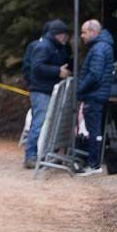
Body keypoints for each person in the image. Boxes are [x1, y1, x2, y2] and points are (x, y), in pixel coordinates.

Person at [22, 20, 72, 168]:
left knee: (50, 123)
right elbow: (37, 67)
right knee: (39, 122)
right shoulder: (43, 46)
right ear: (59, 35)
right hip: (41, 90)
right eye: (64, 35)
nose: (66, 38)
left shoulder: (58, 47)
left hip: (50, 89)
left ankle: (46, 153)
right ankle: (30, 156)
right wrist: (58, 71)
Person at [76, 19, 115, 175]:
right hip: (98, 94)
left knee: (93, 131)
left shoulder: (98, 49)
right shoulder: (103, 46)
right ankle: (95, 162)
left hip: (93, 95)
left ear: (93, 32)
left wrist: (80, 89)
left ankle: (93, 164)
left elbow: (94, 75)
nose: (82, 36)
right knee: (95, 130)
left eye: (84, 32)